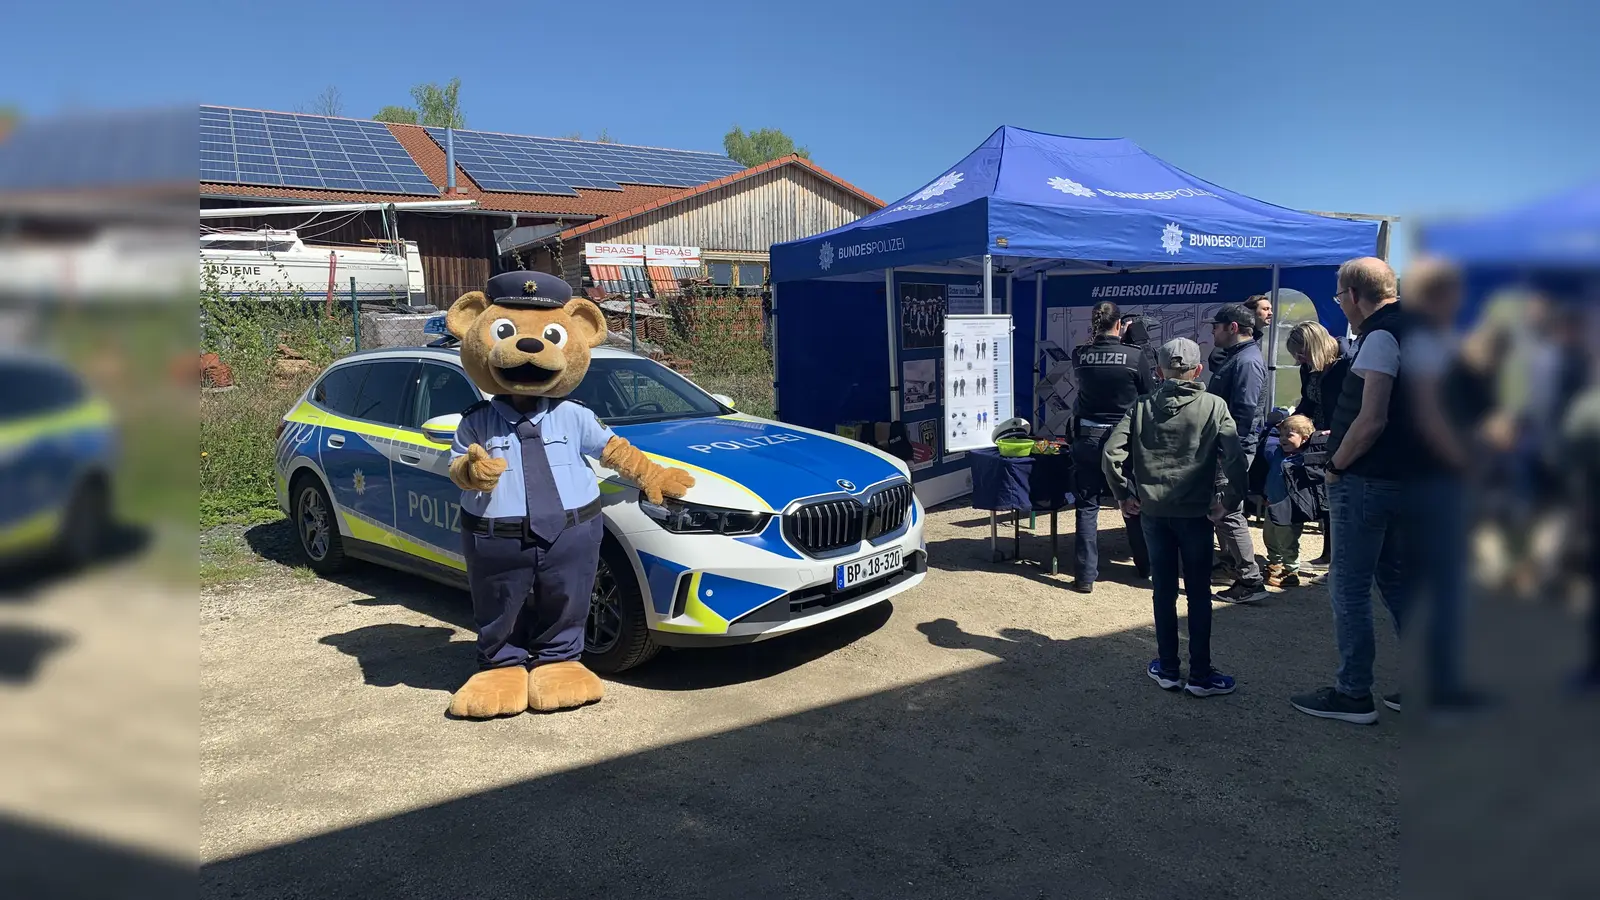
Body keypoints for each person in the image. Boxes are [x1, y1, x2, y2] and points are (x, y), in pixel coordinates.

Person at [1291, 257, 1417, 725]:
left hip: (1368, 479)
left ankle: (1352, 694)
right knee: (1399, 580)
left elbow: (1373, 418)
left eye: (1339, 297)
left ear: (1356, 295)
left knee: (1349, 587)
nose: (1340, 305)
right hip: (1407, 478)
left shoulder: (1383, 335)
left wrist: (1337, 466)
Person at [1102, 337, 1248, 697]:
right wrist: (1229, 500)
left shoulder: (1141, 406)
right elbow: (1235, 458)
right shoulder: (1214, 406)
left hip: (1153, 512)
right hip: (1196, 513)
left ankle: (1168, 667)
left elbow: (1110, 454)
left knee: (1162, 591)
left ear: (1159, 371)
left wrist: (1124, 495)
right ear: (1198, 370)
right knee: (1198, 593)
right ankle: (1200, 674)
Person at [1067, 300, 1153, 594]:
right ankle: (1145, 566)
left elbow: (1094, 353)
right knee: (1132, 503)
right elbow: (1148, 393)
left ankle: (1085, 576)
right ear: (1119, 324)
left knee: (1087, 507)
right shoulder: (1135, 356)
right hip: (1124, 441)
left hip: (1087, 439)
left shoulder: (1081, 354)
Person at [1205, 303, 1269, 603]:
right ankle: (1232, 566)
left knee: (1228, 511)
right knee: (1222, 511)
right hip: (1227, 447)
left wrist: (1228, 453)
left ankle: (1250, 580)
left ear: (1233, 328)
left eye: (1216, 326)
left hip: (1232, 449)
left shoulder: (1246, 362)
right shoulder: (1238, 358)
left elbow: (1243, 412)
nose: (1212, 331)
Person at [1286, 321, 1349, 571]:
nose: (1299, 359)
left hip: (1343, 438)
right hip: (1319, 439)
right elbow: (1308, 401)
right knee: (1325, 495)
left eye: (1301, 352)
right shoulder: (1309, 368)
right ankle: (1328, 553)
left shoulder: (1346, 364)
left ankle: (1335, 555)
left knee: (1338, 496)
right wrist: (1291, 422)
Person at [1262, 414, 1317, 588]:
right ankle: (1274, 564)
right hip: (1272, 504)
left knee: (1288, 541)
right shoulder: (1277, 452)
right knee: (1269, 536)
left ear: (1305, 439)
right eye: (1282, 435)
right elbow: (1267, 441)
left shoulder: (1303, 459)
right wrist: (1274, 426)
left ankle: (1291, 571)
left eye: (1289, 435)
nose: (1283, 439)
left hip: (1290, 509)